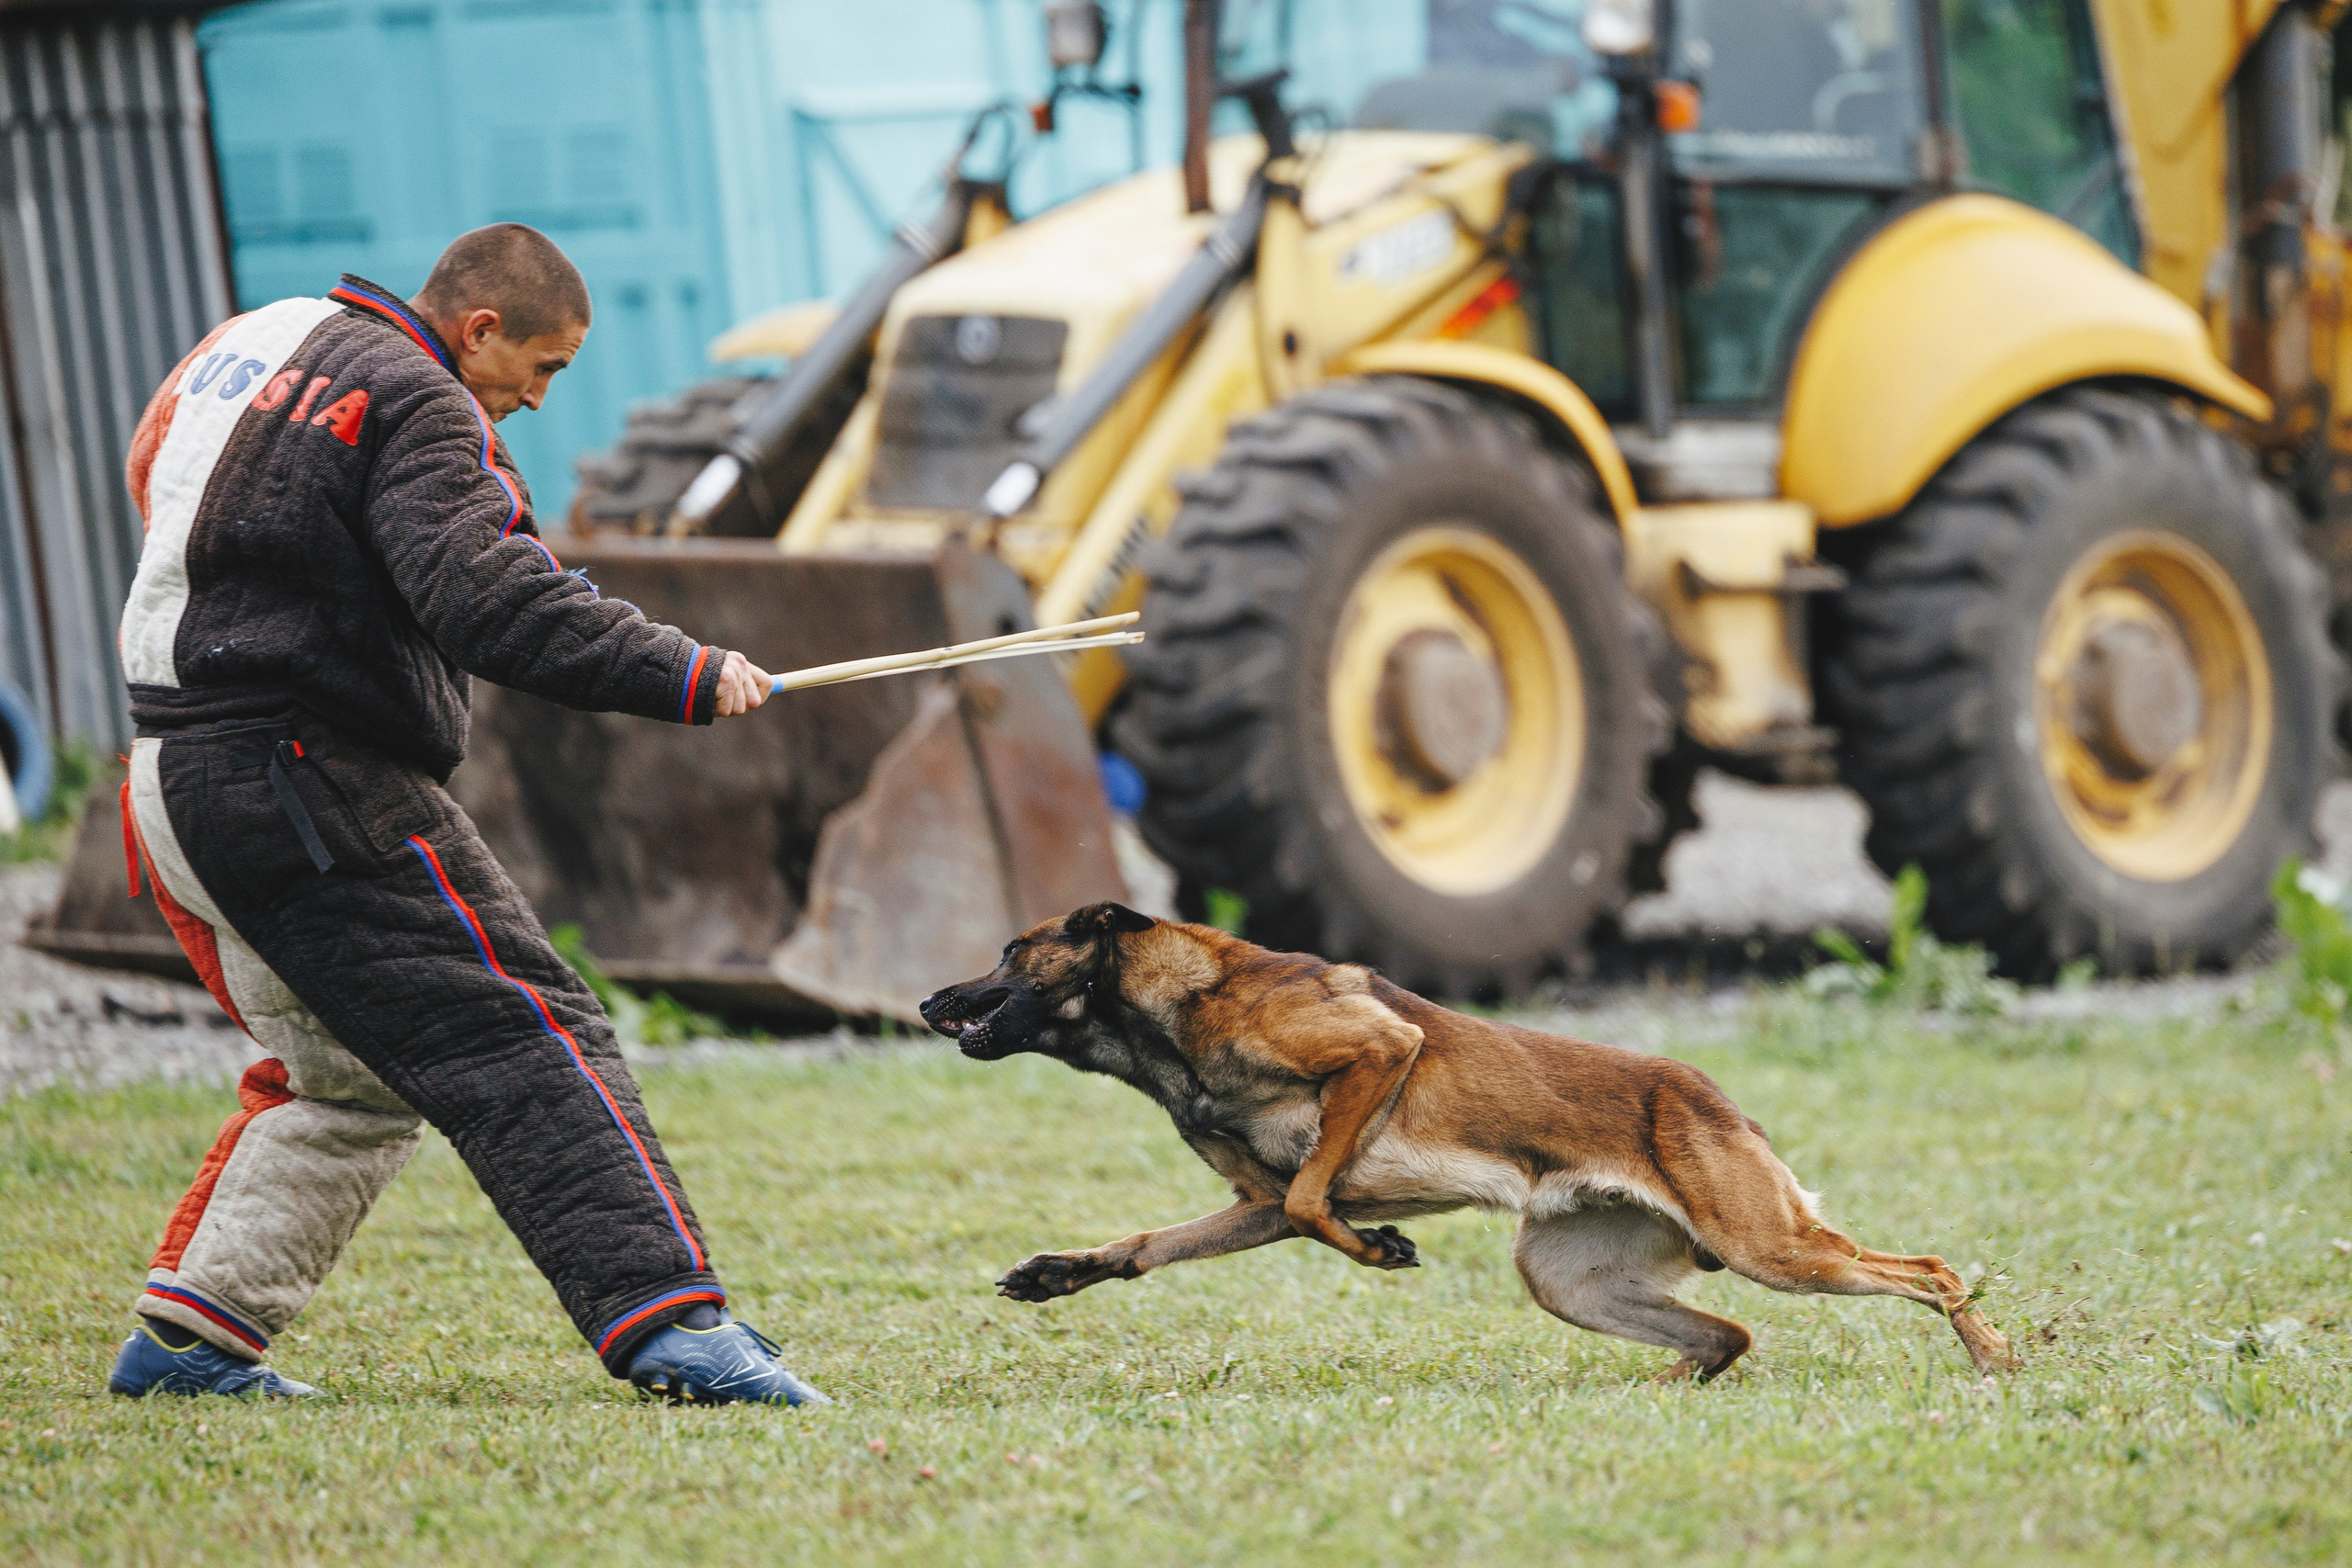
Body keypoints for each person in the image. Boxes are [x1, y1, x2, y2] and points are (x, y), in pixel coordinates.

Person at [104, 223, 824, 1407]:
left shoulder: (255, 341)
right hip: (308, 776)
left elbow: (152, 471)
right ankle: (675, 1332)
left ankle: (189, 1345)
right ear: (477, 330)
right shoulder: (425, 403)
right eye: (540, 370)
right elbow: (492, 600)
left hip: (172, 773)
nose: (533, 402)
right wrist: (681, 671)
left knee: (344, 1072)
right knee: (527, 1030)